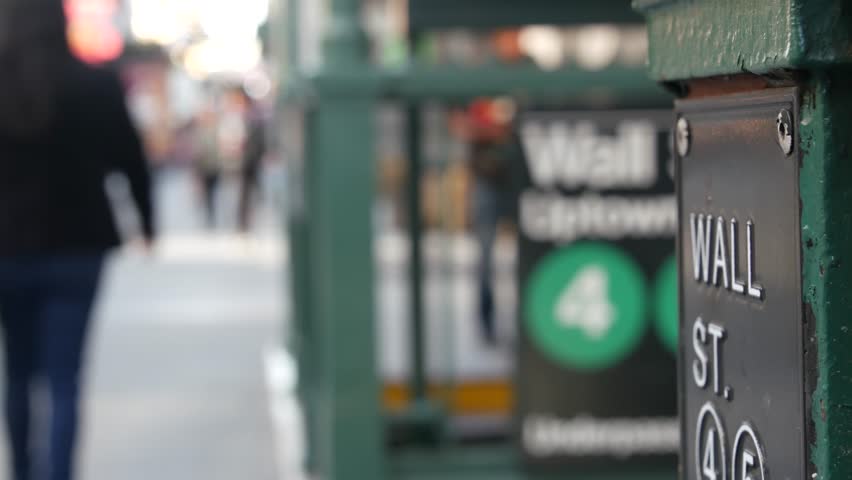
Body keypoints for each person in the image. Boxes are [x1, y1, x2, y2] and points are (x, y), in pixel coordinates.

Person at [0, 1, 154, 479]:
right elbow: (131, 159)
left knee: (18, 371)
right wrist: (148, 224)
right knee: (65, 376)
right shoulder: (95, 83)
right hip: (79, 248)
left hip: (7, 248)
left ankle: (23, 470)